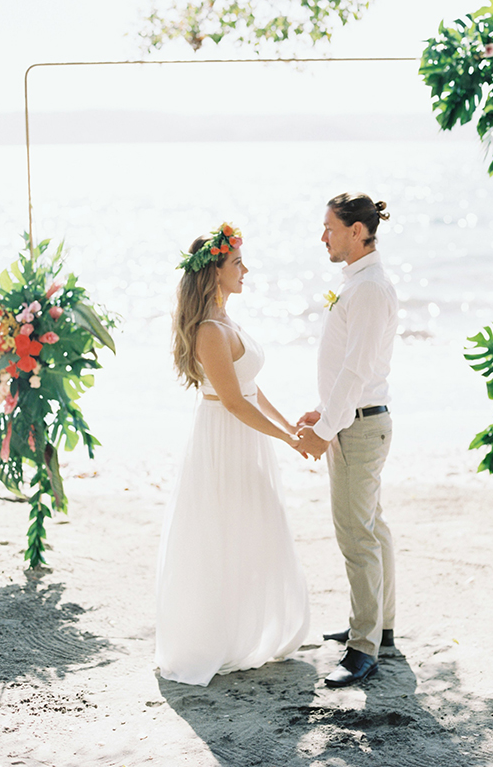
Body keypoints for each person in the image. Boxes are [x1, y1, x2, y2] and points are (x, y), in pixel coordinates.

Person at [156, 223, 309, 686]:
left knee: (256, 526)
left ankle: (252, 629)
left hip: (245, 434)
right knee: (223, 532)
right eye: (237, 262)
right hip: (225, 437)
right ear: (214, 272)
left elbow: (253, 389)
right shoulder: (208, 330)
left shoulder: (228, 321)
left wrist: (290, 428)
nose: (246, 269)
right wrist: (285, 439)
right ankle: (218, 636)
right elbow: (235, 402)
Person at [297, 193, 397, 688]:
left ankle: (364, 648)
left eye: (330, 228)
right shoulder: (359, 283)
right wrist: (327, 413)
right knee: (372, 528)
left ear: (358, 231)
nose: (323, 237)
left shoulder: (371, 289)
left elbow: (357, 371)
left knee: (356, 537)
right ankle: (381, 627)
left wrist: (323, 429)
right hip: (353, 419)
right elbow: (348, 367)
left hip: (357, 425)